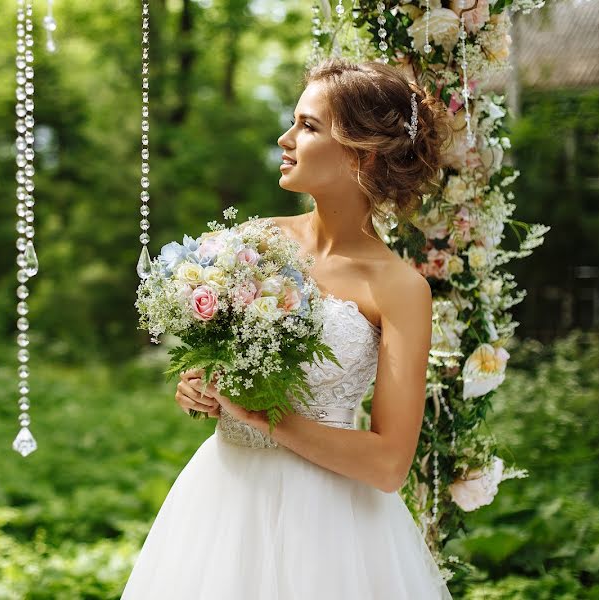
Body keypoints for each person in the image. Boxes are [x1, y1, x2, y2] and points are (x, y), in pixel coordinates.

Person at [120, 58, 454, 599]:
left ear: (360, 153)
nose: (286, 137)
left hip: (330, 526)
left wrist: (263, 418)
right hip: (222, 503)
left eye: (309, 125)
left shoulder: (398, 288)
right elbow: (217, 363)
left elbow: (391, 464)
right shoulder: (251, 244)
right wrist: (198, 386)